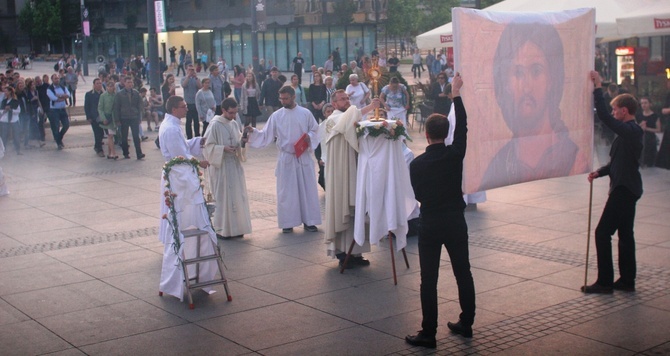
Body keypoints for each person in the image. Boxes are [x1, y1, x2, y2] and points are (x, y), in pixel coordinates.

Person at [405, 73, 475, 348]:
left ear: (426, 133)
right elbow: (464, 127)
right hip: (456, 219)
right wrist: (456, 95)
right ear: (446, 134)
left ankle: (428, 332)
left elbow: (418, 194)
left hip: (431, 221)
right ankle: (466, 322)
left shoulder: (417, 165)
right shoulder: (455, 154)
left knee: (428, 280)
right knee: (463, 272)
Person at [480, 21, 583, 191]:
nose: (526, 87)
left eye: (536, 71)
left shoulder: (574, 159)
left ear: (551, 78)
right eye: (518, 73)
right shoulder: (499, 163)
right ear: (506, 83)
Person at [582, 71, 643, 294]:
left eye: (616, 109)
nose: (613, 112)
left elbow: (605, 118)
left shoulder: (631, 131)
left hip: (624, 190)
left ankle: (605, 281)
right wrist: (599, 172)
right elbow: (617, 162)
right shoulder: (629, 133)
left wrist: (598, 88)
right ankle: (627, 280)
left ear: (624, 111)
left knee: (602, 233)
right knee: (625, 235)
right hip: (628, 188)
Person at [157, 95, 217, 301]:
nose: (186, 109)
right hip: (179, 180)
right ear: (174, 109)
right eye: (183, 107)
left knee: (187, 220)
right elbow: (179, 155)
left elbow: (183, 146)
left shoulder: (172, 125)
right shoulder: (171, 128)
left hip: (180, 177)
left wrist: (197, 142)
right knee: (182, 220)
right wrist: (198, 162)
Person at [247, 86, 321, 233]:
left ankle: (309, 221)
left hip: (303, 156)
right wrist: (253, 132)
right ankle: (288, 222)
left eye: (285, 98)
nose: (283, 101)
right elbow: (265, 134)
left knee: (307, 190)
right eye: (281, 98)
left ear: (293, 97)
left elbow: (315, 130)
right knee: (287, 192)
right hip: (286, 157)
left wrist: (310, 137)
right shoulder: (277, 115)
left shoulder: (305, 113)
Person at [320, 90, 380, 267]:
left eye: (347, 98)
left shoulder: (349, 117)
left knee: (357, 209)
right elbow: (347, 121)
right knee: (342, 206)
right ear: (334, 104)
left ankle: (355, 253)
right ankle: (342, 253)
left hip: (353, 168)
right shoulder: (333, 119)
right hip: (340, 173)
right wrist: (370, 107)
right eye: (342, 99)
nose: (346, 101)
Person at [203, 98, 252, 239]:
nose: (233, 116)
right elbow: (207, 147)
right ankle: (222, 230)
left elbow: (237, 141)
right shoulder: (215, 125)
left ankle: (237, 228)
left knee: (237, 196)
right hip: (221, 167)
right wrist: (222, 148)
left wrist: (242, 142)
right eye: (231, 113)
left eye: (235, 113)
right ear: (223, 110)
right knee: (223, 198)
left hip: (234, 165)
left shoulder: (234, 123)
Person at [113, 76, 145, 160]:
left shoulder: (136, 93)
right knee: (124, 137)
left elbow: (139, 105)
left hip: (134, 117)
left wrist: (139, 116)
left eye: (131, 82)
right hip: (124, 118)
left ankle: (139, 153)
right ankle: (125, 152)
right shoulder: (119, 94)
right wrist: (117, 119)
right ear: (124, 83)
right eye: (128, 82)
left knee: (136, 136)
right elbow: (116, 108)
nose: (130, 84)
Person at [46, 74, 71, 150]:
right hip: (54, 110)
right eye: (55, 79)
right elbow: (53, 98)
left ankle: (59, 138)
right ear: (52, 80)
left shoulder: (63, 87)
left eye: (58, 78)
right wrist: (62, 97)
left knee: (66, 125)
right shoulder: (49, 89)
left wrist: (59, 96)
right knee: (56, 127)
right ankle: (59, 143)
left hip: (62, 109)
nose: (57, 80)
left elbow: (68, 95)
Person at [636, 97, 662, 168]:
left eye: (645, 103)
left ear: (650, 104)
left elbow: (658, 129)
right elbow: (635, 127)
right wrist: (640, 125)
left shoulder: (655, 116)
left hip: (650, 138)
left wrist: (647, 128)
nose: (643, 105)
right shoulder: (639, 115)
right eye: (642, 103)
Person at [98, 80, 119, 160]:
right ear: (106, 87)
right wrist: (103, 118)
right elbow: (100, 108)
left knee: (111, 135)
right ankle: (113, 153)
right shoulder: (103, 96)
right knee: (110, 135)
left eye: (112, 86)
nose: (111, 88)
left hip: (114, 118)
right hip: (107, 118)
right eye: (109, 86)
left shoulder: (116, 95)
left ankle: (109, 153)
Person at [84, 78, 105, 157]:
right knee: (97, 133)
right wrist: (88, 116)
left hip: (103, 116)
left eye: (100, 83)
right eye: (97, 83)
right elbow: (87, 106)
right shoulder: (89, 94)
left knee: (102, 133)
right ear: (94, 85)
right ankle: (99, 149)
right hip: (94, 117)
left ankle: (96, 146)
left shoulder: (104, 94)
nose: (99, 85)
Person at [181, 64, 202, 139]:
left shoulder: (196, 79)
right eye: (189, 70)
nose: (191, 71)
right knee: (188, 121)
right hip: (188, 103)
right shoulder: (184, 78)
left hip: (196, 103)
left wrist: (196, 78)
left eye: (192, 70)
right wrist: (188, 76)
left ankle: (197, 135)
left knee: (196, 121)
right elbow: (184, 85)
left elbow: (200, 87)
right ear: (186, 70)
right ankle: (189, 137)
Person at [0, 86, 21, 155]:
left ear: (10, 92)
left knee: (16, 135)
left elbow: (18, 111)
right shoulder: (4, 101)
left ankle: (18, 150)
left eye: (6, 91)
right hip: (5, 120)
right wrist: (5, 110)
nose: (5, 93)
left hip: (13, 120)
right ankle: (3, 150)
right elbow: (1, 110)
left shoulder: (15, 101)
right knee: (4, 135)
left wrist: (11, 109)